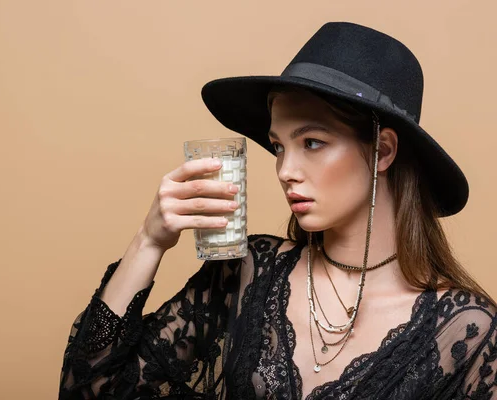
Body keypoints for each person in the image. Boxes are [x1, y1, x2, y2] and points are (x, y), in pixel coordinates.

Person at [58, 22, 497, 399]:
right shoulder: (248, 273)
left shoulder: (468, 332)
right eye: (278, 147)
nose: (285, 170)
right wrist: (148, 241)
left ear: (382, 150)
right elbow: (89, 387)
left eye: (312, 143)